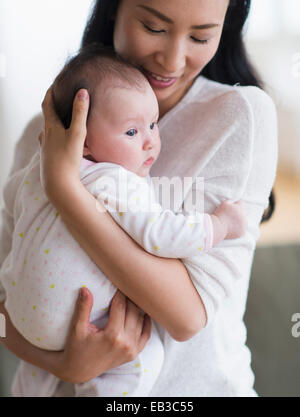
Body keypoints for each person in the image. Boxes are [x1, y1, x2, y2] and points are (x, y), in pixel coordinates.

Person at [0, 0, 278, 397]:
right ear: (114, 8)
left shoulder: (239, 115)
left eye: (201, 36)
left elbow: (185, 316)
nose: (172, 59)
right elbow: (3, 307)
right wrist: (61, 363)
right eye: (153, 27)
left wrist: (66, 192)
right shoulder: (45, 135)